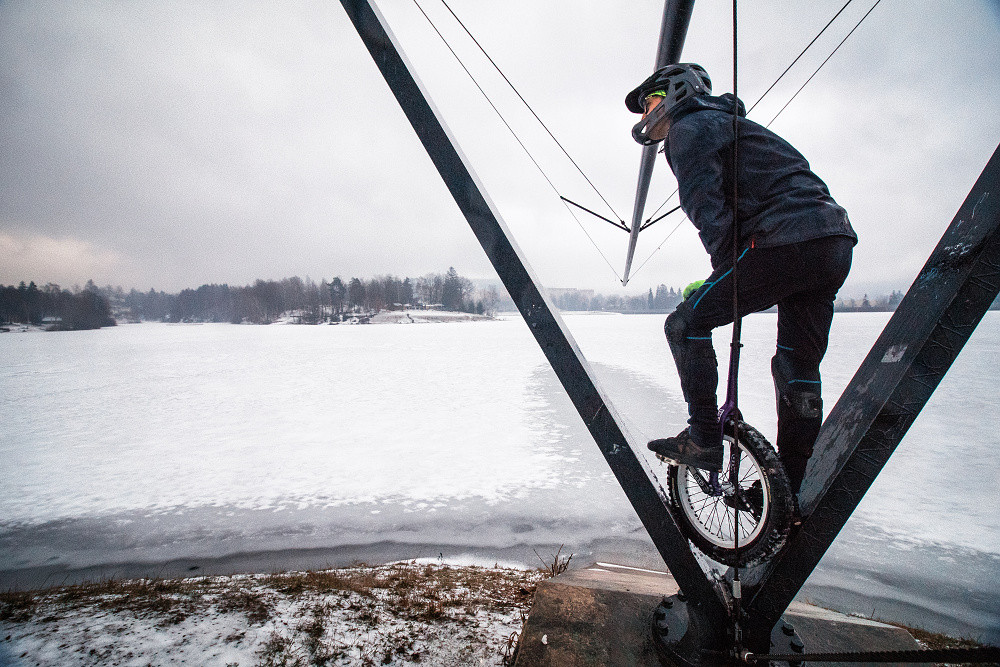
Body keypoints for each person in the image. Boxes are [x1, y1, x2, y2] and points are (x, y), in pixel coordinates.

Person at [625, 63, 857, 496]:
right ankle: (788, 486)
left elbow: (705, 205)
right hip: (831, 243)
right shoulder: (735, 126)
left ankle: (703, 437)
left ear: (674, 93)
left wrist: (721, 270)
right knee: (797, 366)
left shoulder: (688, 128)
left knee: (685, 324)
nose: (645, 115)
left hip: (781, 241)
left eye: (648, 103)